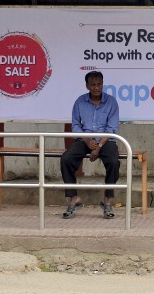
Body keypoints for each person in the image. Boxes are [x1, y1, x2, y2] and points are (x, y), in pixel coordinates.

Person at [61, 71, 121, 219]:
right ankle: (74, 198)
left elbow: (111, 128)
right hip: (85, 140)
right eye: (93, 84)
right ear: (87, 86)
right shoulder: (80, 101)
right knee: (66, 159)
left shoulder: (111, 102)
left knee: (114, 161)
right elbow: (76, 125)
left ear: (103, 84)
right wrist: (88, 141)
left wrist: (98, 146)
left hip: (106, 140)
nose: (96, 87)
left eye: (99, 84)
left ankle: (107, 201)